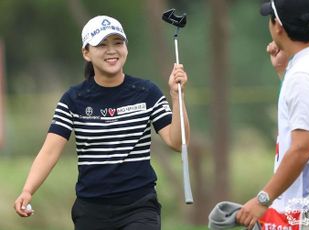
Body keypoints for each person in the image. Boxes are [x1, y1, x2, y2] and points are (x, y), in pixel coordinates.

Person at [13, 15, 190, 230]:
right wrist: (27, 190)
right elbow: (50, 151)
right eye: (102, 45)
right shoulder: (73, 99)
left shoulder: (146, 92)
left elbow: (177, 141)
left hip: (139, 206)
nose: (112, 50)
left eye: (118, 42)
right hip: (91, 210)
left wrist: (176, 95)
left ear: (126, 47)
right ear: (86, 53)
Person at [236, 0, 309, 229]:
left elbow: (302, 149)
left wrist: (264, 198)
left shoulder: (304, 75)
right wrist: (283, 71)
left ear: (278, 26)